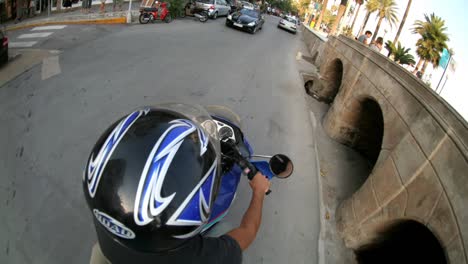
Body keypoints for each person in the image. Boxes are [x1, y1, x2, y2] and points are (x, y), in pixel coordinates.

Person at [84, 104, 271, 264]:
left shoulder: (106, 201)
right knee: (225, 226)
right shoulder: (196, 257)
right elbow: (248, 231)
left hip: (108, 255)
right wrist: (258, 193)